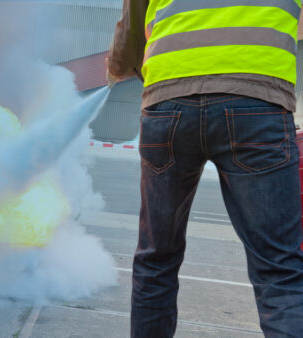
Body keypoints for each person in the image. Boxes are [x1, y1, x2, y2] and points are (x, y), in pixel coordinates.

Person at [106, 1, 303, 337]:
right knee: (278, 270)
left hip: (168, 103)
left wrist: (119, 68)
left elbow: (132, 23)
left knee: (156, 260)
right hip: (256, 100)